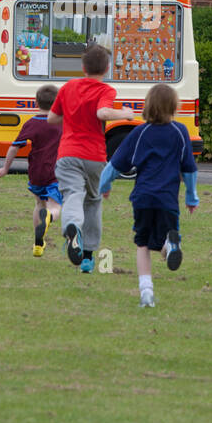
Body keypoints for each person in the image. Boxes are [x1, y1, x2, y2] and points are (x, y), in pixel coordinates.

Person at [100, 84, 198, 307]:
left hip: (142, 198)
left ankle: (146, 293)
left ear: (148, 105)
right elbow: (189, 169)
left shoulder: (139, 132)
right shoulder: (180, 132)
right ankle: (171, 246)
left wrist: (103, 186)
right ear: (174, 106)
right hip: (168, 200)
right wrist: (191, 198)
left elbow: (115, 165)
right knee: (164, 237)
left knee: (143, 244)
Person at [47, 44, 134, 273]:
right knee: (93, 201)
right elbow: (102, 113)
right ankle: (87, 256)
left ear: (83, 67)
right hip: (94, 155)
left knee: (73, 194)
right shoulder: (105, 90)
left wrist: (72, 115)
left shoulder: (68, 87)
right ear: (106, 68)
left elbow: (52, 118)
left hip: (67, 154)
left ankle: (72, 227)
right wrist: (125, 114)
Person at [0, 84, 63, 256]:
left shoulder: (32, 123)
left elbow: (14, 147)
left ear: (35, 102)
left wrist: (5, 168)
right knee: (55, 206)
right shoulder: (62, 122)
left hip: (36, 172)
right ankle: (49, 217)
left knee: (39, 204)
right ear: (57, 104)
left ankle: (38, 243)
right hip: (56, 172)